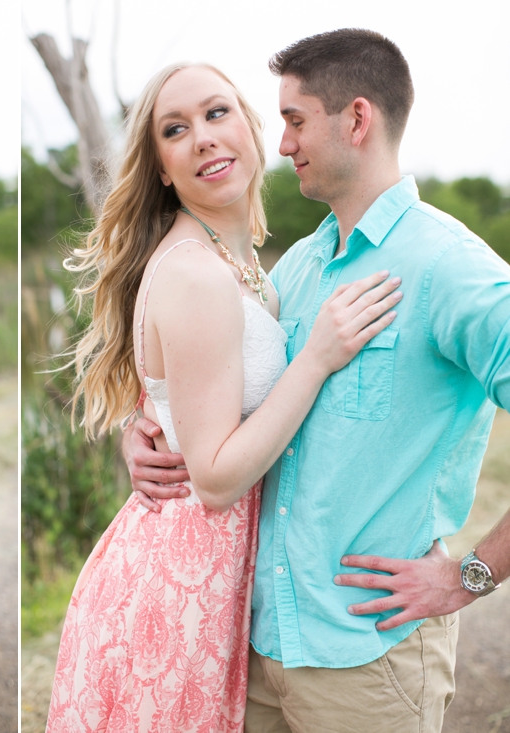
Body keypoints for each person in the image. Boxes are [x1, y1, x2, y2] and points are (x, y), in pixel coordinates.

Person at [124, 29, 510, 732]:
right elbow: (230, 387)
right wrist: (149, 425)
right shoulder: (299, 266)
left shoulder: (451, 267)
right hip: (257, 644)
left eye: (295, 120)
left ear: (356, 119)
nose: (283, 143)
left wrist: (472, 573)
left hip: (369, 658)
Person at [44, 62, 399, 732]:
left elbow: (185, 392)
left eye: (216, 113)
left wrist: (143, 420)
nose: (203, 137)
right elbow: (212, 479)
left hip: (209, 578)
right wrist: (316, 359)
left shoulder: (237, 264)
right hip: (177, 591)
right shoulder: (198, 275)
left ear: (251, 129)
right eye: (175, 129)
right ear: (162, 170)